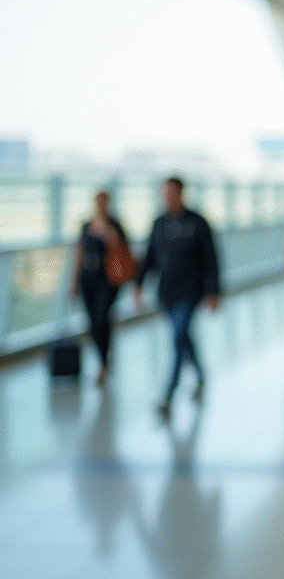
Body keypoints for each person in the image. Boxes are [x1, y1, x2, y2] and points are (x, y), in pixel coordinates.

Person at [134, 176, 221, 417]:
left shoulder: (197, 223)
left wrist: (213, 292)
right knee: (183, 337)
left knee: (177, 337)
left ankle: (168, 394)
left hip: (190, 292)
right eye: (165, 193)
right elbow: (149, 257)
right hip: (167, 294)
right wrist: (138, 286)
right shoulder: (159, 224)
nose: (168, 197)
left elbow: (211, 259)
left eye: (172, 193)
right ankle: (201, 375)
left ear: (181, 193)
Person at [70, 190, 131, 385]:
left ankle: (104, 363)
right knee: (92, 322)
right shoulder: (86, 225)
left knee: (101, 317)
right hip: (89, 279)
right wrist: (73, 283)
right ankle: (103, 357)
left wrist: (107, 232)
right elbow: (79, 253)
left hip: (108, 280)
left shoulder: (115, 225)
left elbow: (122, 249)